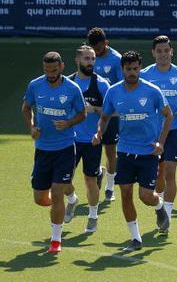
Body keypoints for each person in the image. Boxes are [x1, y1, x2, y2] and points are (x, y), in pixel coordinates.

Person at [98, 50, 173, 252]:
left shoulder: (152, 91)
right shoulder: (113, 92)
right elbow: (105, 116)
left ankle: (159, 207)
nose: (132, 72)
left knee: (146, 196)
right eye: (128, 69)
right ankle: (136, 239)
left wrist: (161, 143)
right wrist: (99, 133)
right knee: (125, 193)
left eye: (135, 68)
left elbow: (169, 115)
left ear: (140, 68)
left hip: (148, 152)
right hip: (125, 151)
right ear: (122, 69)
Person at [23, 52, 86, 253]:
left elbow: (82, 113)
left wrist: (68, 123)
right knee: (41, 199)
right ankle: (72, 198)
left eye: (54, 70)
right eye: (47, 70)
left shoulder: (72, 88)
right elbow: (26, 107)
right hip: (43, 149)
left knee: (56, 192)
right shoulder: (35, 85)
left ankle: (56, 241)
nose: (50, 74)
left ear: (62, 67)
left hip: (65, 148)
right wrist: (32, 127)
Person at [141, 35, 177, 232]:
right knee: (158, 176)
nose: (163, 55)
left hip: (174, 129)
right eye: (159, 51)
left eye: (166, 51)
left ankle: (167, 217)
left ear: (171, 51)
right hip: (152, 131)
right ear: (153, 53)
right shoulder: (144, 74)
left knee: (170, 172)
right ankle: (160, 208)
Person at [63, 45, 111, 233]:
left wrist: (95, 110)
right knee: (63, 180)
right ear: (77, 60)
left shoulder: (101, 85)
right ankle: (73, 200)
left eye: (92, 59)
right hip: (70, 140)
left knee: (90, 180)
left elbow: (112, 112)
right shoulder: (67, 84)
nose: (90, 62)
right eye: (86, 59)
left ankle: (92, 216)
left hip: (92, 140)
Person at [87, 27, 123, 202]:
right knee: (91, 149)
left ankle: (110, 186)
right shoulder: (89, 58)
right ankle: (98, 172)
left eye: (99, 48)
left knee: (110, 150)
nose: (96, 52)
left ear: (105, 43)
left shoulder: (116, 60)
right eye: (93, 48)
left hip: (110, 113)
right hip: (91, 113)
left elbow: (121, 86)